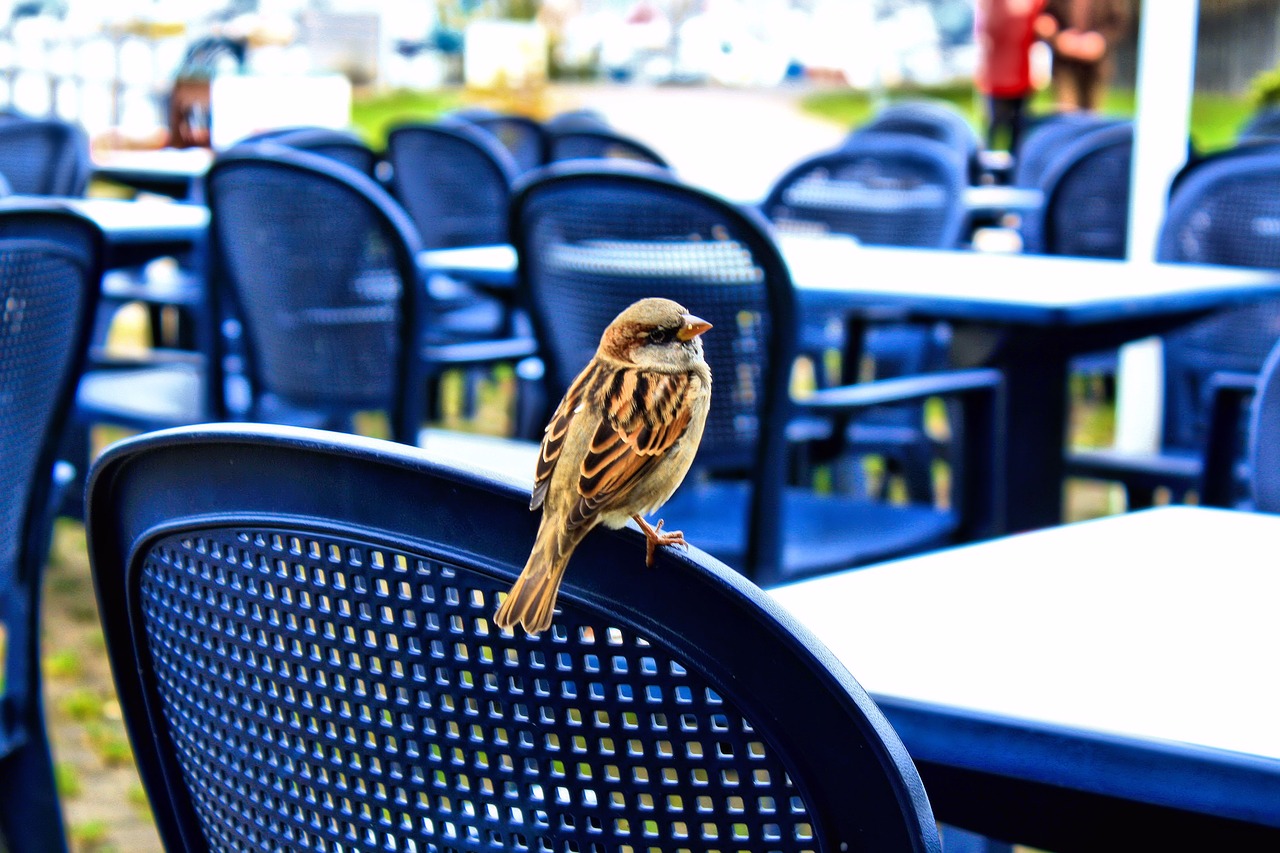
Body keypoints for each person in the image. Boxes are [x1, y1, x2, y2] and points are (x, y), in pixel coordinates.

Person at [1034, 0, 1133, 112]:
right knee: (1067, 115)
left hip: (1096, 66)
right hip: (1065, 65)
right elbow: (1045, 18)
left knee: (1092, 117)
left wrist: (1101, 40)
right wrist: (1057, 38)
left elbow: (1118, 22)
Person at [975, 0, 1046, 153]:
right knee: (994, 124)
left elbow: (1042, 32)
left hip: (1023, 73)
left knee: (1020, 126)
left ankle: (1016, 164)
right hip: (997, 74)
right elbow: (986, 30)